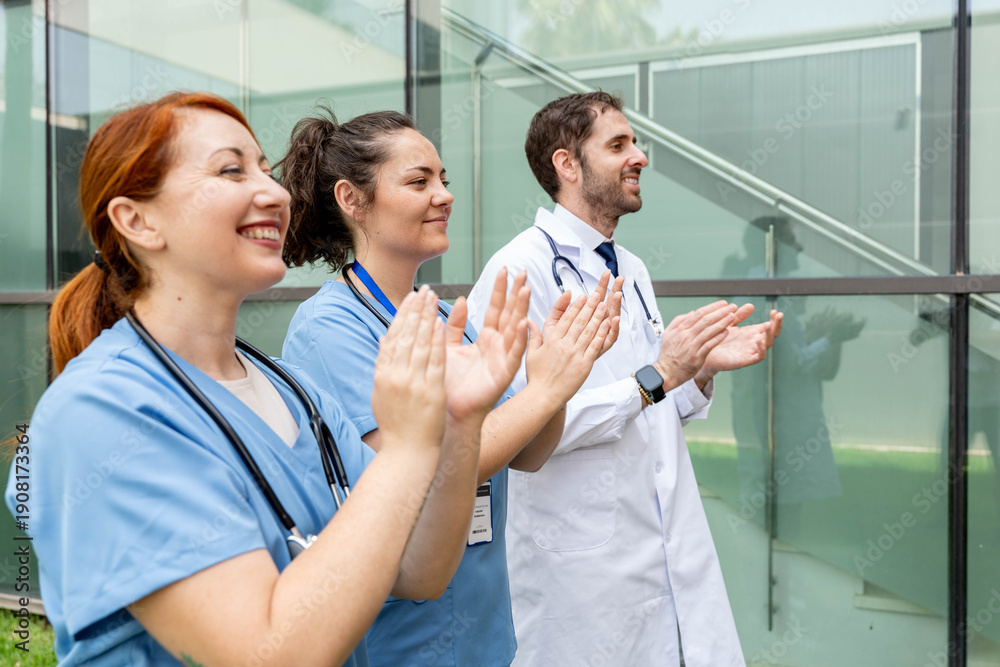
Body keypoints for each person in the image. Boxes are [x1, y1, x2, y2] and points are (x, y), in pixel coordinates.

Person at [6, 92, 513, 667]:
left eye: (266, 171)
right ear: (138, 220)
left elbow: (418, 568)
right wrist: (404, 449)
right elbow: (271, 653)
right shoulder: (101, 412)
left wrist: (456, 423)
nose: (274, 193)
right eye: (230, 170)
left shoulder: (295, 393)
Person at [278, 109, 621, 667]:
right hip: (402, 642)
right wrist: (540, 393)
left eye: (444, 179)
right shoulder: (328, 329)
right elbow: (418, 473)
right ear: (352, 199)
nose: (443, 195)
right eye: (419, 181)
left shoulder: (443, 317)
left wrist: (556, 378)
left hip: (485, 637)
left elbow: (530, 454)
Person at [467, 91, 783, 667]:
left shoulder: (628, 267)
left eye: (635, 143)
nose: (640, 156)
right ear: (567, 164)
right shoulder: (519, 271)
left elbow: (649, 402)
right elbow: (518, 432)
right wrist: (660, 372)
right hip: (582, 578)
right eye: (618, 145)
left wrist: (698, 368)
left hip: (657, 552)